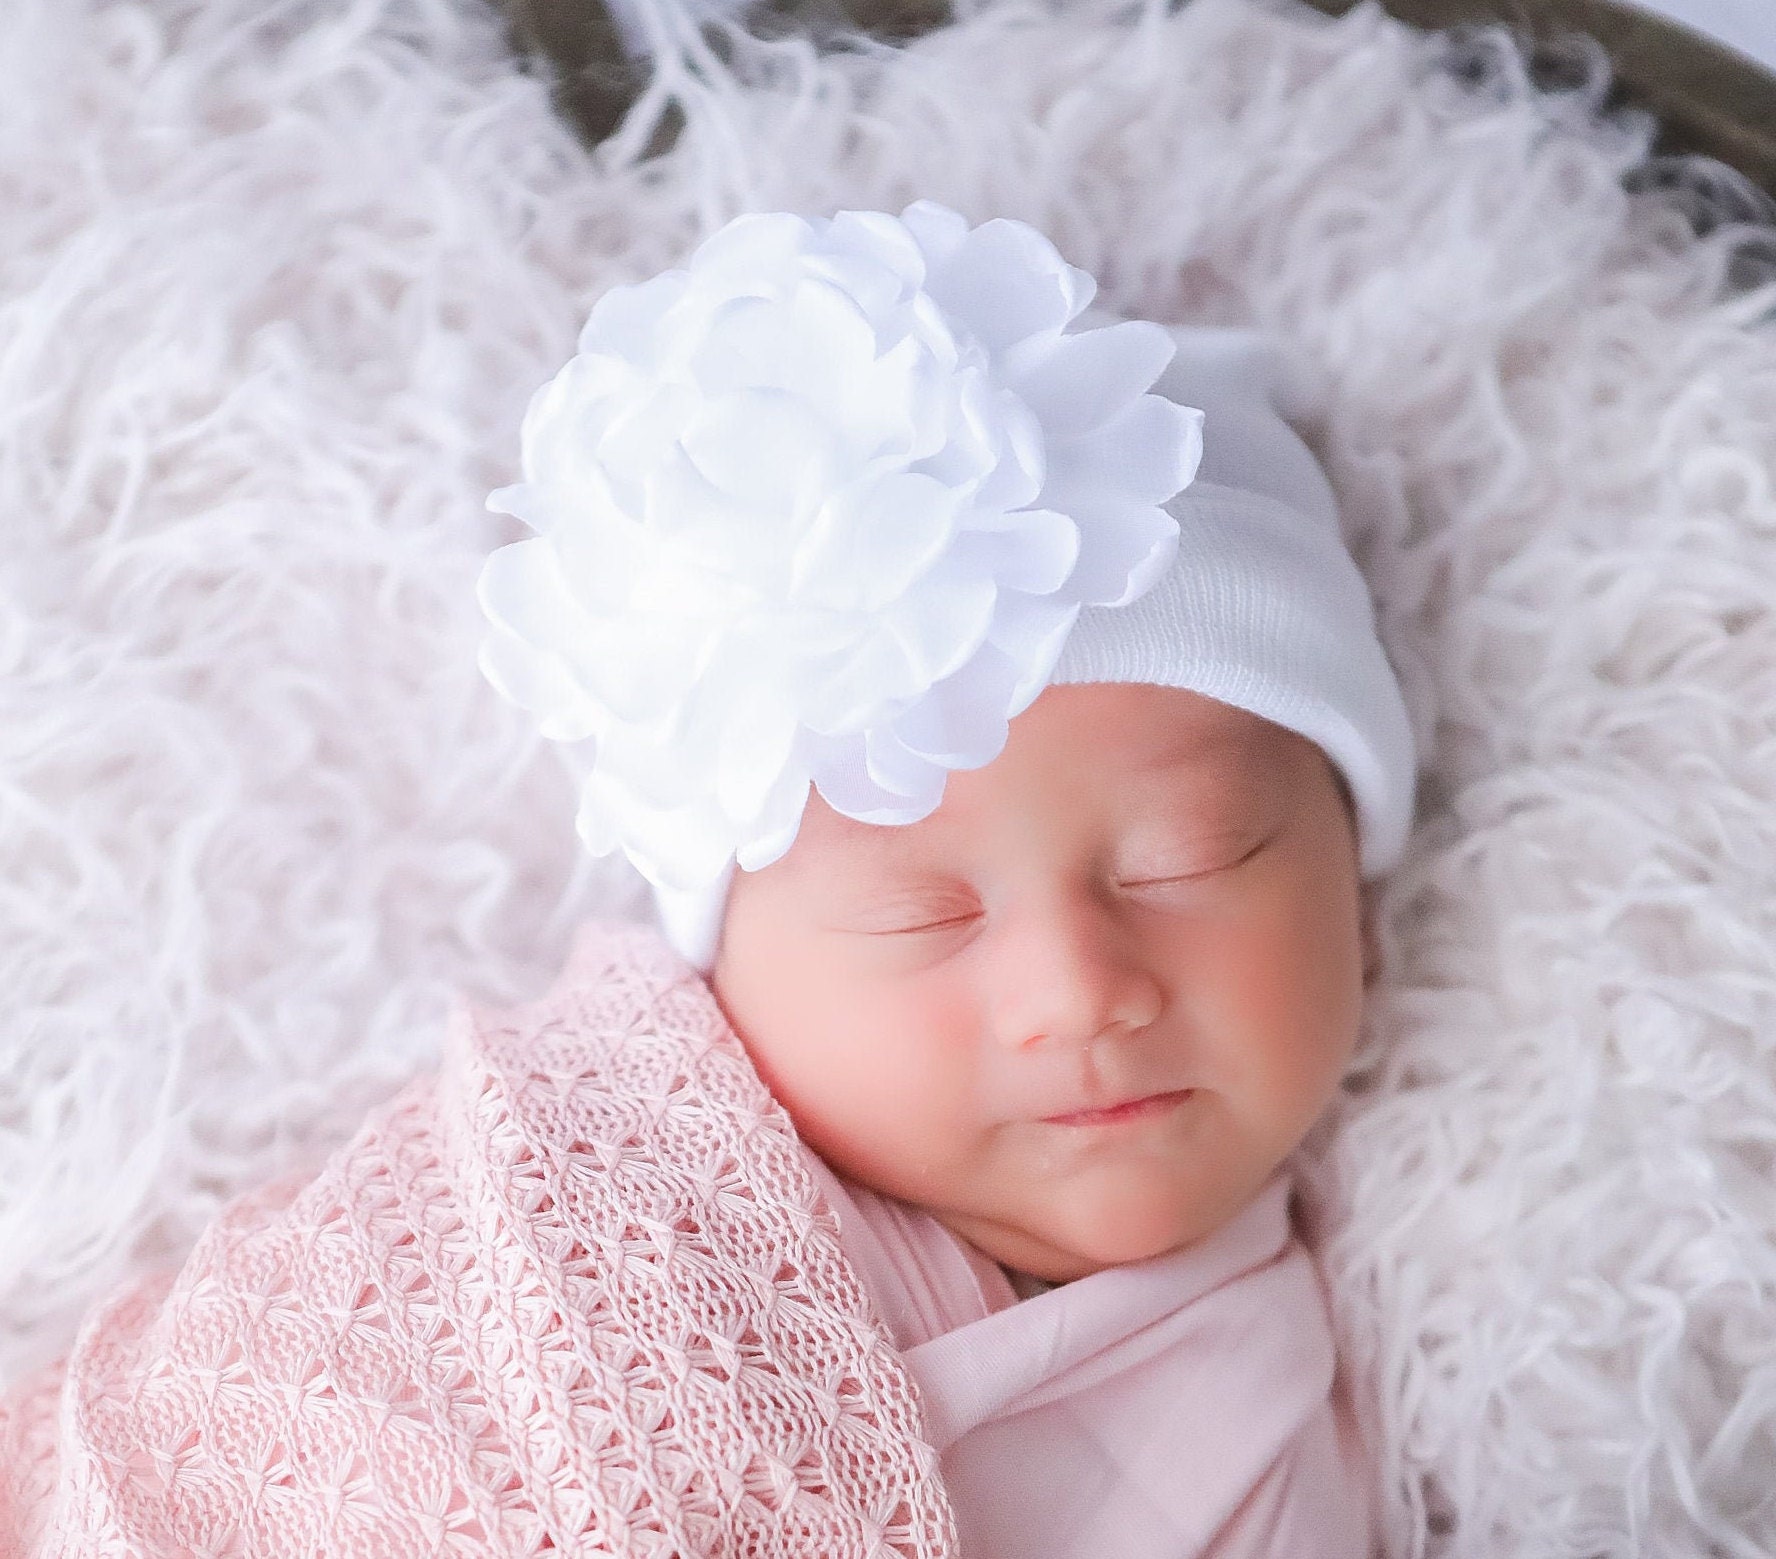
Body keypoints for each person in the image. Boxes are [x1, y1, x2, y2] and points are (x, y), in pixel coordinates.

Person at [0, 199, 1415, 1557]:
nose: (1077, 992)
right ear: (724, 972)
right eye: (921, 910)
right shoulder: (566, 1220)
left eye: (1197, 855)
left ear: (1351, 850)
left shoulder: (1282, 1402)